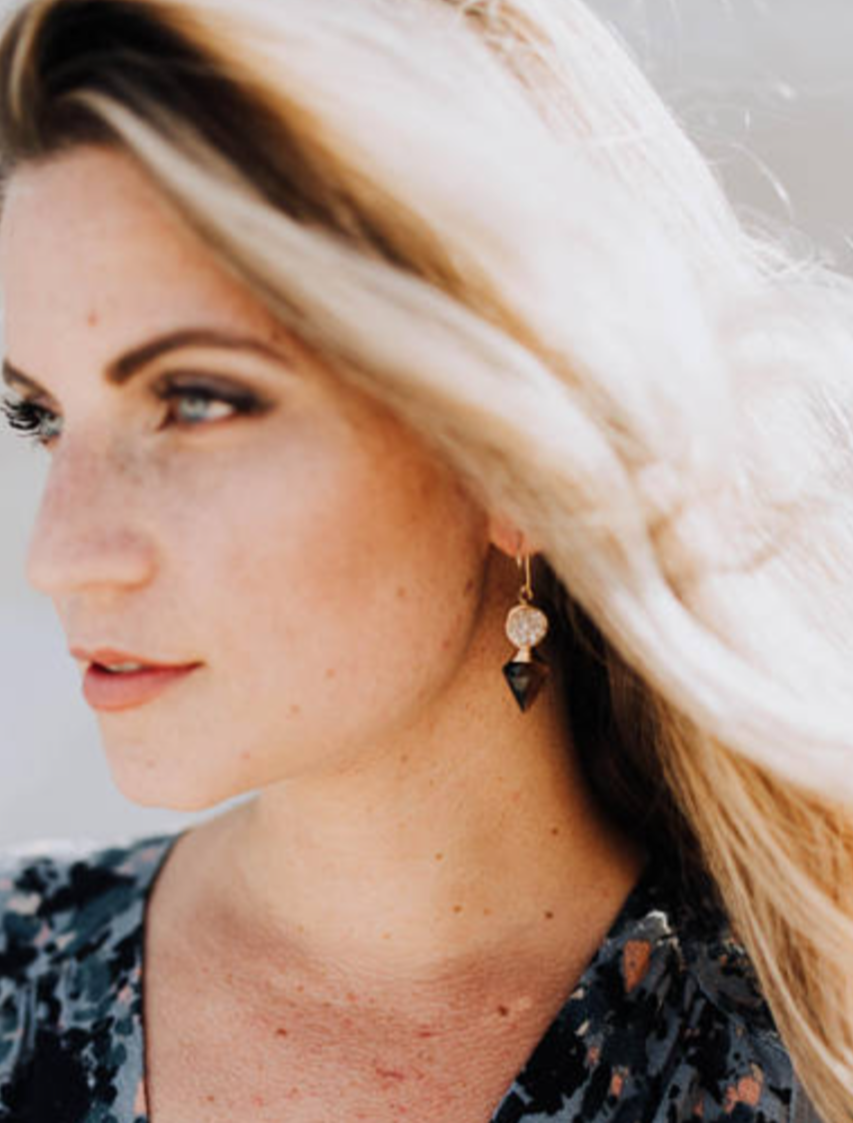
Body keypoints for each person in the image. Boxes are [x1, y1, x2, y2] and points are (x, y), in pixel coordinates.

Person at [0, 0, 850, 1120]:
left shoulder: (811, 1045)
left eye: (196, 401)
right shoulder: (18, 980)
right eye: (39, 415)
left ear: (519, 452)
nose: (59, 556)